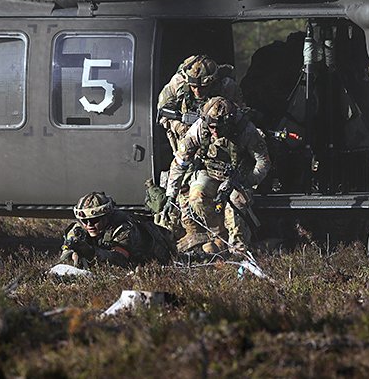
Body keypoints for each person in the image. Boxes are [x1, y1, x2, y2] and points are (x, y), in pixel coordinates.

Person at [167, 97, 270, 254]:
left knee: (235, 203)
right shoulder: (200, 129)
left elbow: (263, 162)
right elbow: (180, 162)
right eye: (211, 126)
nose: (214, 130)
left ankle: (238, 247)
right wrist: (170, 195)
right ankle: (219, 235)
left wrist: (248, 180)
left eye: (218, 127)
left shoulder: (246, 130)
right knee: (196, 197)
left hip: (239, 177)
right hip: (210, 172)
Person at [156, 54, 243, 238]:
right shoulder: (178, 83)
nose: (197, 91)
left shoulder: (227, 87)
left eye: (203, 87)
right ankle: (197, 234)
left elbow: (239, 116)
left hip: (219, 140)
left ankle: (221, 235)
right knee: (183, 194)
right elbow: (162, 114)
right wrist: (184, 127)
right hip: (187, 138)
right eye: (193, 86)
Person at [59, 191, 175, 268]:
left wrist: (91, 252)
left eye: (95, 220)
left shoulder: (124, 228)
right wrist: (73, 254)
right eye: (84, 221)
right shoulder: (78, 230)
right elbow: (65, 256)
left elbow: (121, 259)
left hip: (154, 256)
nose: (89, 225)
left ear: (106, 217)